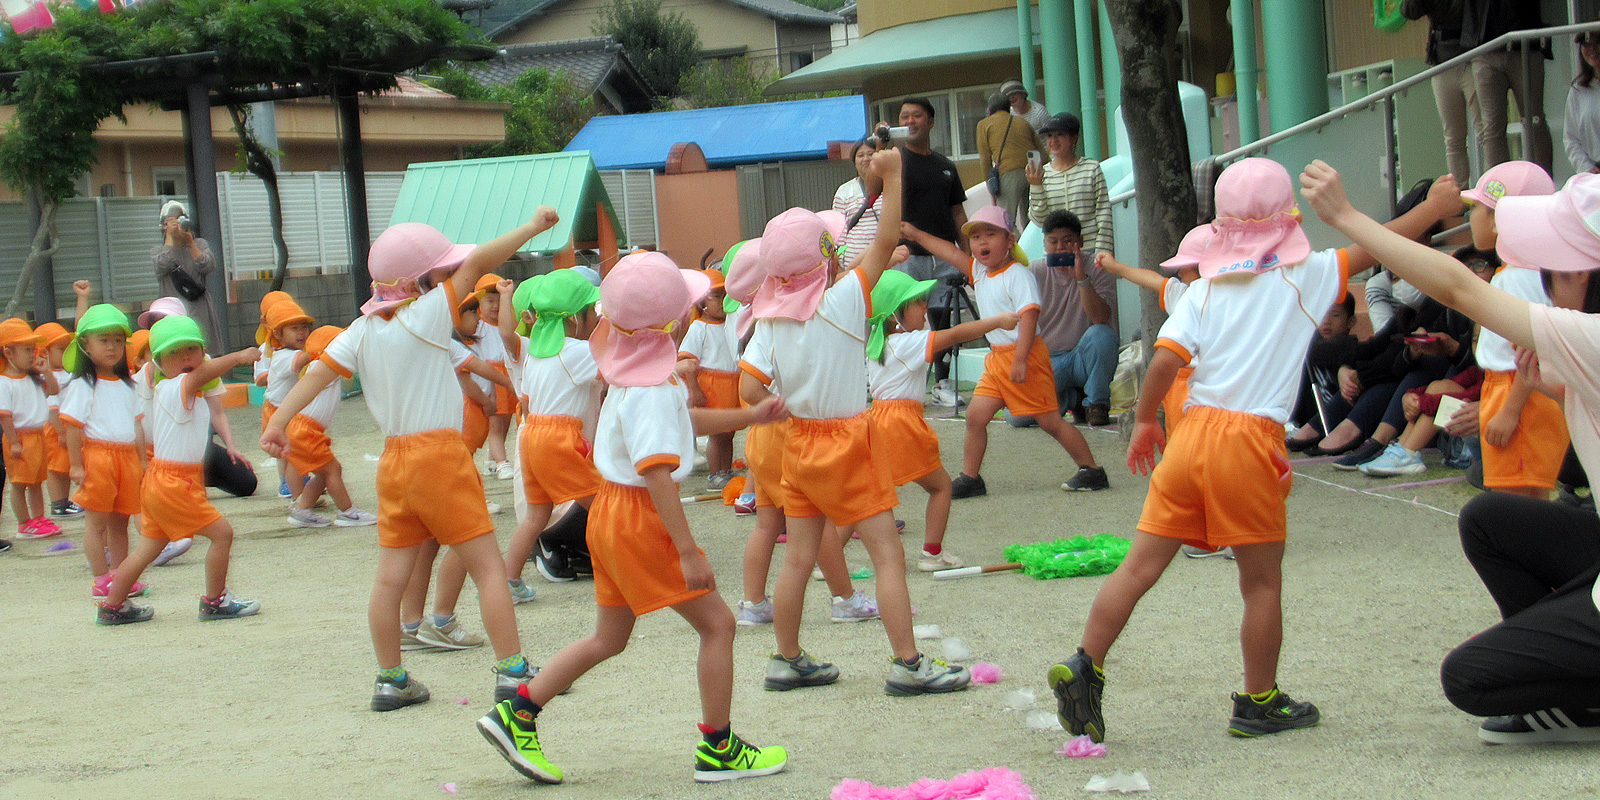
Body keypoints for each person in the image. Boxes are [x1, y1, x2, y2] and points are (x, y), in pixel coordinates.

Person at [1301, 161, 1600, 745]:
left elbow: (1458, 287)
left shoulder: (1591, 336)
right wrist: (1553, 387)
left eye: (1553, 266)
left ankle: (1583, 690)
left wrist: (1346, 216)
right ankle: (1575, 680)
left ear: (1586, 279)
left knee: (1470, 679)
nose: (1540, 276)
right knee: (1490, 518)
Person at [1048, 158, 1336, 744]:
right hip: (1248, 439)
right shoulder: (1307, 275)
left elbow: (1163, 360)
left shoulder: (1202, 291)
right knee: (1260, 584)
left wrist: (1148, 423)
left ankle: (1085, 663)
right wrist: (1432, 212)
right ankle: (1260, 700)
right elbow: (1384, 250)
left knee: (1138, 566)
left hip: (1191, 435)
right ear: (1289, 223)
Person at [477, 251, 791, 785]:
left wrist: (749, 414)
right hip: (639, 517)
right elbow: (658, 472)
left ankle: (518, 712)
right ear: (671, 321)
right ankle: (718, 747)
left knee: (609, 637)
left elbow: (682, 419)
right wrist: (688, 551)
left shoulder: (636, 371)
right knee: (718, 625)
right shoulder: (648, 384)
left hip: (613, 515)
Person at [262, 215, 556, 712]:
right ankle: (513, 673)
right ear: (420, 282)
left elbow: (314, 377)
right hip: (440, 455)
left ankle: (391, 679)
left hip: (393, 462)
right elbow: (481, 259)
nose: (448, 279)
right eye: (439, 274)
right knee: (487, 569)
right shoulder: (427, 314)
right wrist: (532, 226)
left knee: (388, 579)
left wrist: (277, 424)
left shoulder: (359, 331)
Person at [740, 150, 972, 697]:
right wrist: (890, 177)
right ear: (825, 259)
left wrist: (781, 404)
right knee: (886, 553)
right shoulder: (845, 297)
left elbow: (750, 389)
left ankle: (787, 657)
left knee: (798, 556)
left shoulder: (771, 320)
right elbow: (887, 239)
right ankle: (908, 663)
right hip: (848, 438)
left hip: (798, 443)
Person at [902, 206, 1109, 498]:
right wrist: (915, 234)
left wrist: (1022, 359)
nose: (982, 242)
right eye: (976, 237)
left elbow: (1030, 316)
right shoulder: (979, 271)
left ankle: (1091, 470)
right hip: (998, 358)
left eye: (990, 234)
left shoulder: (1018, 274)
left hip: (1025, 355)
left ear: (1010, 240)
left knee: (1050, 421)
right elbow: (948, 251)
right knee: (975, 416)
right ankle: (971, 478)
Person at [96, 316, 260, 624]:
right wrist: (239, 357)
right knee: (222, 534)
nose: (184, 357)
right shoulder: (174, 387)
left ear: (202, 351)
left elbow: (206, 381)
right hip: (174, 482)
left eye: (191, 349)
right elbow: (206, 372)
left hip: (164, 481)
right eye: (173, 352)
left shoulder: (181, 390)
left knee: (147, 549)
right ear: (157, 363)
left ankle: (112, 605)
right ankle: (215, 601)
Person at [859, 269, 1018, 571]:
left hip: (877, 421)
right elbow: (956, 334)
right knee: (941, 486)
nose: (925, 308)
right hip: (901, 424)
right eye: (918, 302)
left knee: (866, 498)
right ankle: (931, 554)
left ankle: (827, 562)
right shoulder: (909, 342)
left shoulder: (877, 344)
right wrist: (997, 321)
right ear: (896, 315)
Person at [499, 269, 603, 596]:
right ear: (575, 319)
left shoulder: (536, 356)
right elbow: (618, 367)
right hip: (559, 438)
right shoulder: (575, 352)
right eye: (593, 313)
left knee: (535, 515)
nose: (597, 320)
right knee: (606, 504)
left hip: (531, 436)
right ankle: (626, 565)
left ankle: (508, 581)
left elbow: (528, 405)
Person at [61, 305, 146, 599]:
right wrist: (75, 465)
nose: (112, 347)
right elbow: (73, 427)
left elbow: (137, 427)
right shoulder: (83, 384)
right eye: (103, 340)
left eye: (118, 341)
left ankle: (121, 577)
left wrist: (143, 461)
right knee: (96, 523)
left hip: (127, 458)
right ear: (85, 345)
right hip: (98, 457)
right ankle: (101, 579)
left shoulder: (127, 384)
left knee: (121, 521)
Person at [889, 99, 969, 408]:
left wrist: (967, 257)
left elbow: (959, 215)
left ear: (931, 121)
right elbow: (874, 181)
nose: (910, 121)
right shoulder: (896, 160)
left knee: (942, 319)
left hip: (945, 255)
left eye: (917, 116)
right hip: (909, 255)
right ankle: (901, 381)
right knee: (905, 318)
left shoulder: (946, 166)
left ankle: (943, 382)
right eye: (904, 116)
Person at [1009, 210, 1117, 427]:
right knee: (1016, 417)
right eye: (1053, 241)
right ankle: (1073, 399)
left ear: (1081, 242)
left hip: (1082, 357)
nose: (1060, 248)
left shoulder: (1097, 268)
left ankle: (1096, 404)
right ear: (1045, 244)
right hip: (1047, 363)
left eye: (1068, 241)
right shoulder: (1033, 272)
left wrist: (1081, 279)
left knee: (1102, 335)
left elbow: (1101, 318)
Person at [280, 325, 377, 529]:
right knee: (333, 469)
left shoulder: (320, 368)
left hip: (304, 430)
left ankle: (303, 510)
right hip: (305, 430)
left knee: (325, 473)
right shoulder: (322, 368)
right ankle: (347, 512)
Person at [1462, 0, 1553, 173]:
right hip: (1485, 47)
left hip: (1524, 43)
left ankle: (1543, 186)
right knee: (1492, 128)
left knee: (1534, 120)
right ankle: (1499, 192)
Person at [1402, 0, 1478, 186]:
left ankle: (1490, 195)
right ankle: (1458, 198)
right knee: (1453, 137)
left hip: (1474, 57)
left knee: (1486, 131)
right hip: (1442, 60)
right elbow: (1409, 10)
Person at [677, 268, 740, 488]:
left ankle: (726, 469)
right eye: (716, 296)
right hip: (712, 385)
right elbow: (688, 361)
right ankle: (715, 474)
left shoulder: (731, 323)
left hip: (731, 383)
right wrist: (694, 390)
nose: (722, 301)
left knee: (729, 432)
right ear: (702, 301)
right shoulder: (699, 328)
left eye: (725, 295)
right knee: (716, 433)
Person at [0, 319, 61, 540]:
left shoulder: (31, 377)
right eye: (26, 349)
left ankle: (39, 518)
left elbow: (53, 390)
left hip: (39, 435)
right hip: (21, 437)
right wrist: (14, 441)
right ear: (8, 352)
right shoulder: (4, 382)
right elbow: (4, 415)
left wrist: (46, 372)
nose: (32, 354)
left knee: (37, 482)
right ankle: (24, 523)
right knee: (19, 483)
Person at [1027, 113, 1113, 256]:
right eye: (1049, 136)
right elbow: (1040, 220)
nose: (1053, 141)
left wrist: (1104, 250)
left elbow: (1104, 212)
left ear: (1074, 138)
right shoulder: (1041, 174)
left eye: (1060, 134)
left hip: (1089, 250)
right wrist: (1036, 186)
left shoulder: (1091, 168)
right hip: (1056, 253)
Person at [264, 297, 315, 508]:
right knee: (286, 451)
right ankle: (289, 486)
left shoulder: (291, 352)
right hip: (277, 410)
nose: (301, 333)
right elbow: (301, 362)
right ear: (277, 334)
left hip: (288, 409)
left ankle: (297, 485)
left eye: (304, 328)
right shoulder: (284, 356)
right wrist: (322, 345)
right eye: (294, 328)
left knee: (294, 448)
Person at [150, 201, 222, 350]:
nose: (176, 223)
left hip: (199, 309)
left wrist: (190, 243)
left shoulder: (200, 244)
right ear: (163, 225)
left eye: (180, 218)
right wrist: (170, 236)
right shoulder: (158, 251)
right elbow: (163, 264)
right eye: (171, 220)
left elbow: (208, 266)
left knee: (203, 350)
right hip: (172, 312)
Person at [976, 92, 1044, 231]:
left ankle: (1015, 249)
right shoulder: (1022, 122)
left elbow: (985, 159)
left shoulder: (984, 124)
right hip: (1032, 172)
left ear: (989, 111)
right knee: (1031, 218)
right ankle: (1029, 248)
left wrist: (990, 185)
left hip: (1009, 173)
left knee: (1004, 219)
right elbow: (1042, 152)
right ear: (1009, 108)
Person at [35, 319, 80, 520]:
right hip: (55, 428)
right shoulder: (48, 376)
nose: (65, 353)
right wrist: (61, 431)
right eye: (60, 349)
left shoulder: (64, 373)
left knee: (65, 466)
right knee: (55, 468)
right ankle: (57, 503)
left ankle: (64, 501)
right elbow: (52, 407)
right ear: (44, 352)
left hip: (65, 426)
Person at [1565, 31, 1600, 175]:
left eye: (1597, 42)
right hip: (1594, 175)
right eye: (1586, 44)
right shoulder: (1578, 91)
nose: (1592, 49)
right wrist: (1586, 168)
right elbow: (1570, 138)